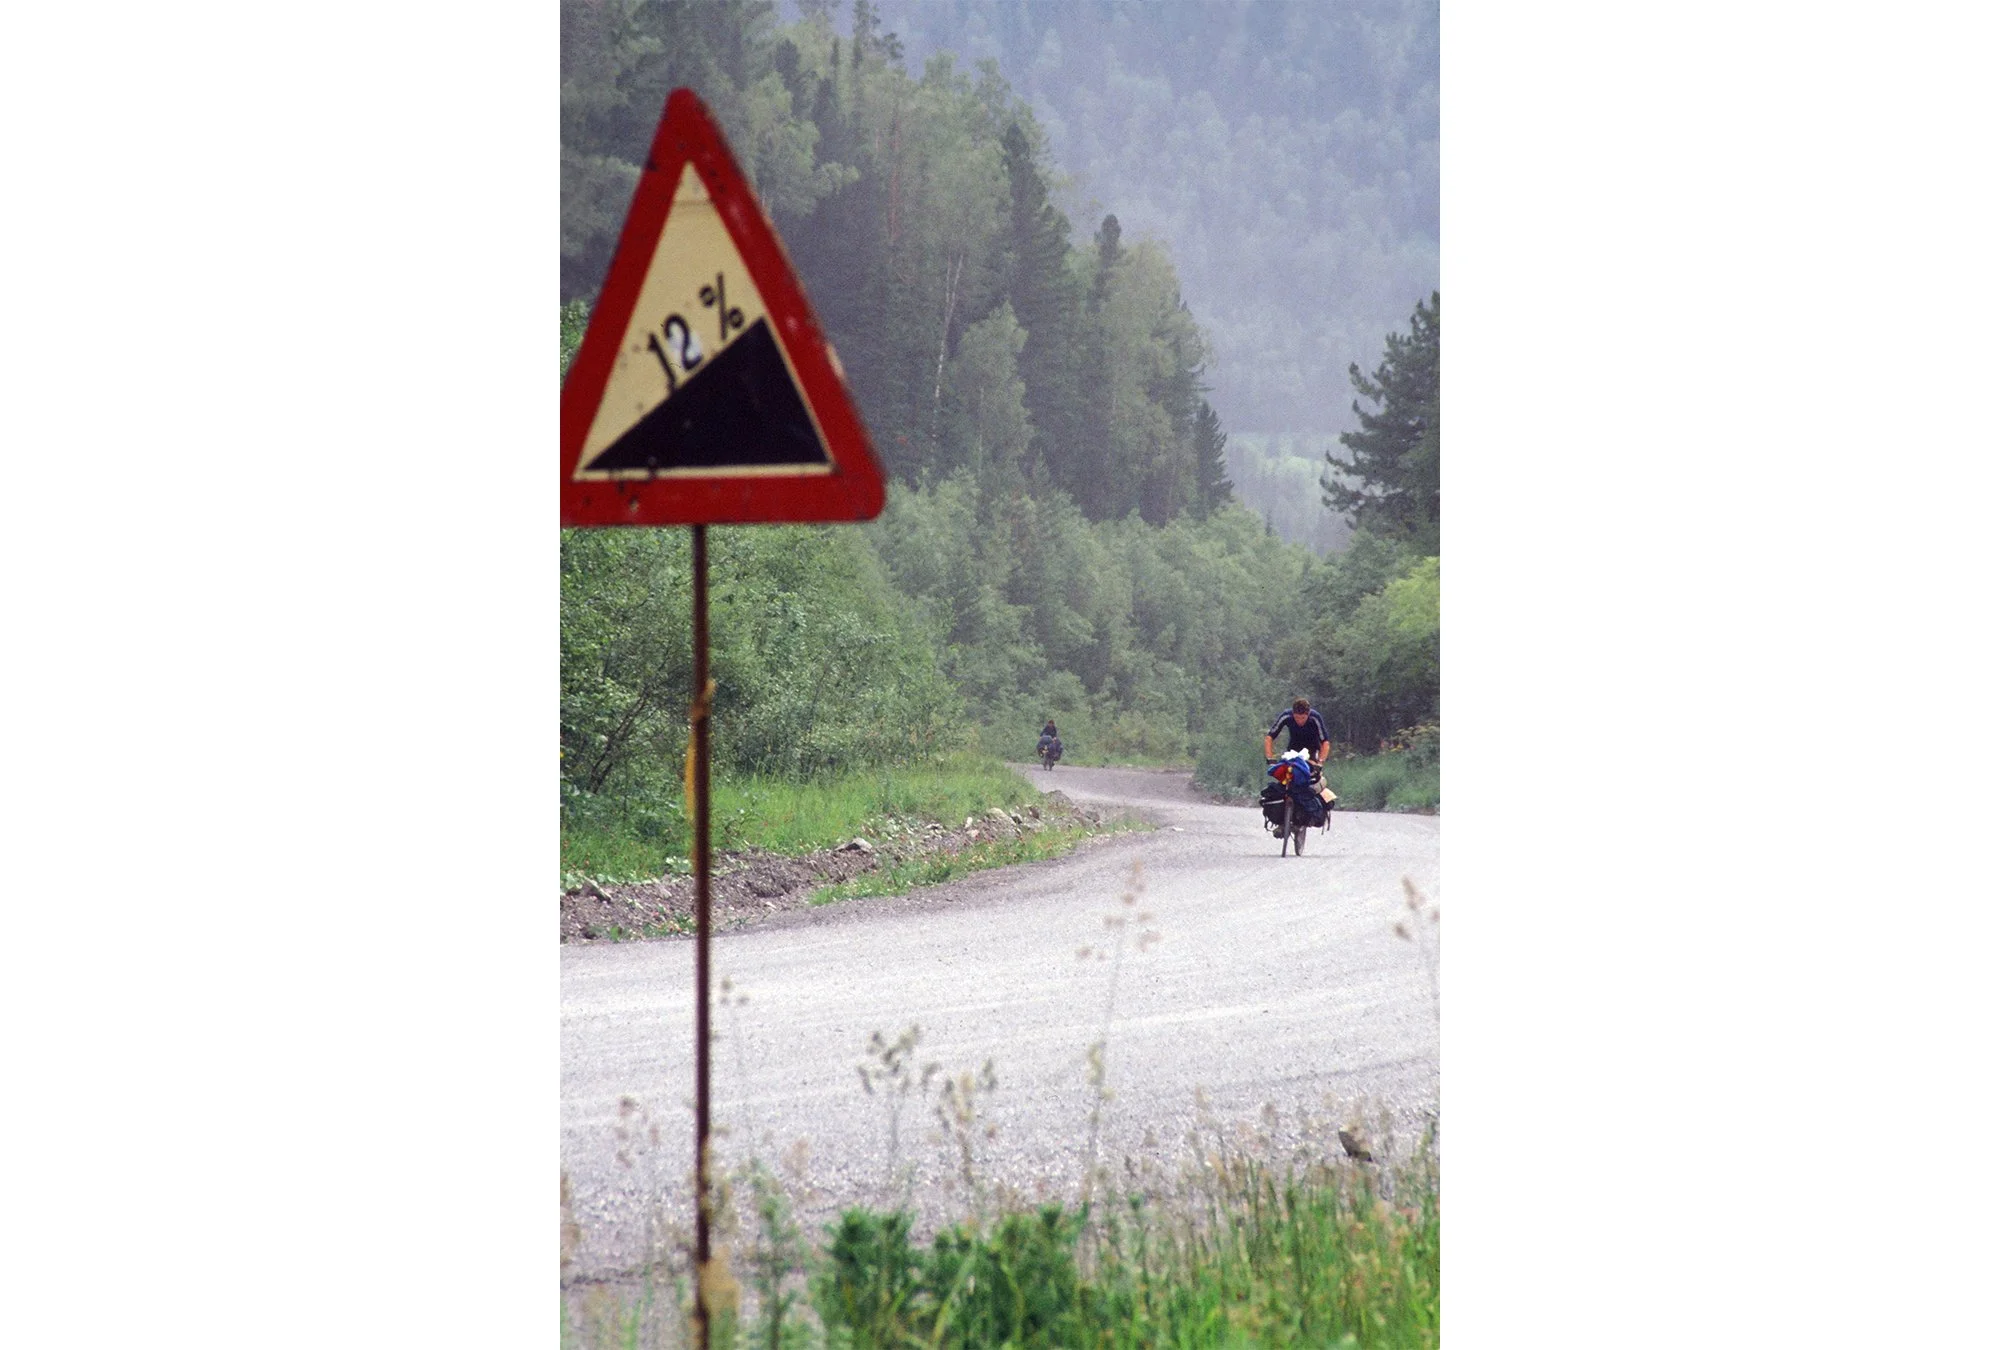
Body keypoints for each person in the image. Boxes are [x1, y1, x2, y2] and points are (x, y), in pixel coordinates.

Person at [1264, 697, 1331, 767]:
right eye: (1296, 717)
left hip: (1312, 751)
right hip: (1293, 751)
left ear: (1308, 714)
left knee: (1312, 770)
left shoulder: (1315, 717)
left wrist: (1320, 763)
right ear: (1293, 713)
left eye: (1303, 718)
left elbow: (1325, 742)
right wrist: (1270, 758)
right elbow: (1269, 737)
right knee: (1286, 772)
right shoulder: (1286, 715)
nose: (1300, 721)